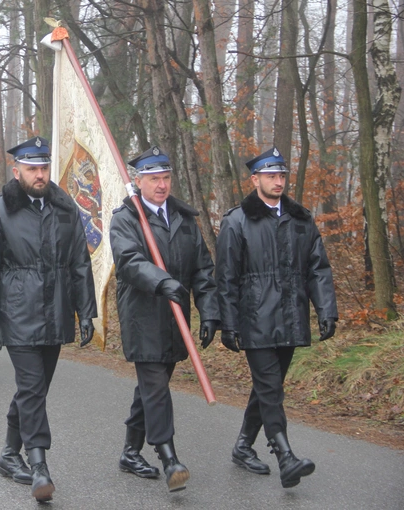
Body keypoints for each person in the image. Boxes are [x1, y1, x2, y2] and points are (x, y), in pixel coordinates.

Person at [0, 136, 97, 503]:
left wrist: (86, 311)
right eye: (32, 169)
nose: (39, 175)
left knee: (35, 389)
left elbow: (79, 262)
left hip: (56, 312)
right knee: (31, 386)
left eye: (43, 168)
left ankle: (9, 454)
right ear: (17, 171)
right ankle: (38, 463)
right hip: (17, 311)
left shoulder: (65, 208)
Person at [216, 147, 338, 489]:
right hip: (254, 317)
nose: (278, 181)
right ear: (255, 180)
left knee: (268, 387)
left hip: (291, 315)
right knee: (270, 389)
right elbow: (225, 277)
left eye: (282, 175)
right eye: (271, 176)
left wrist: (326, 310)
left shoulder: (301, 219)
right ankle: (285, 456)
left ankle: (243, 445)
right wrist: (229, 322)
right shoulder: (237, 220)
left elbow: (318, 268)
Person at [109, 146, 219, 493]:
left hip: (175, 318)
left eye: (166, 178)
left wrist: (209, 310)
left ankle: (130, 451)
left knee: (150, 388)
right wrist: (163, 281)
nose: (162, 185)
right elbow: (129, 260)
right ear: (138, 181)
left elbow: (202, 268)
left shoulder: (184, 219)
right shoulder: (126, 217)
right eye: (154, 179)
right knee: (155, 387)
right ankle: (169, 457)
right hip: (143, 315)